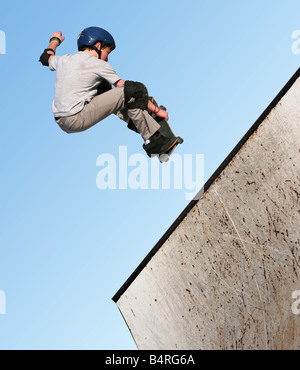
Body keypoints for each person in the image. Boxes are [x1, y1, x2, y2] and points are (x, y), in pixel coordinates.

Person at [39, 27, 182, 160]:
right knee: (134, 91)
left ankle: (137, 120)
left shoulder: (64, 59)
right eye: (108, 52)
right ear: (98, 45)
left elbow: (46, 57)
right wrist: (156, 110)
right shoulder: (98, 64)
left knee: (104, 87)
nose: (107, 58)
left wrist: (54, 41)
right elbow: (129, 90)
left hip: (61, 120)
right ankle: (154, 141)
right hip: (76, 117)